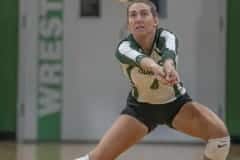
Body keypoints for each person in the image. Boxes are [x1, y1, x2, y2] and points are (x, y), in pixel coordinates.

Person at [74, 0, 230, 160]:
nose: (138, 19)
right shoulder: (124, 48)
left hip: (176, 105)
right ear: (128, 24)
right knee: (98, 157)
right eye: (133, 15)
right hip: (141, 109)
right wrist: (157, 69)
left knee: (220, 139)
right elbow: (141, 60)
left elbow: (169, 55)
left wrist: (169, 67)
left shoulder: (167, 37)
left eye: (144, 14)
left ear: (155, 20)